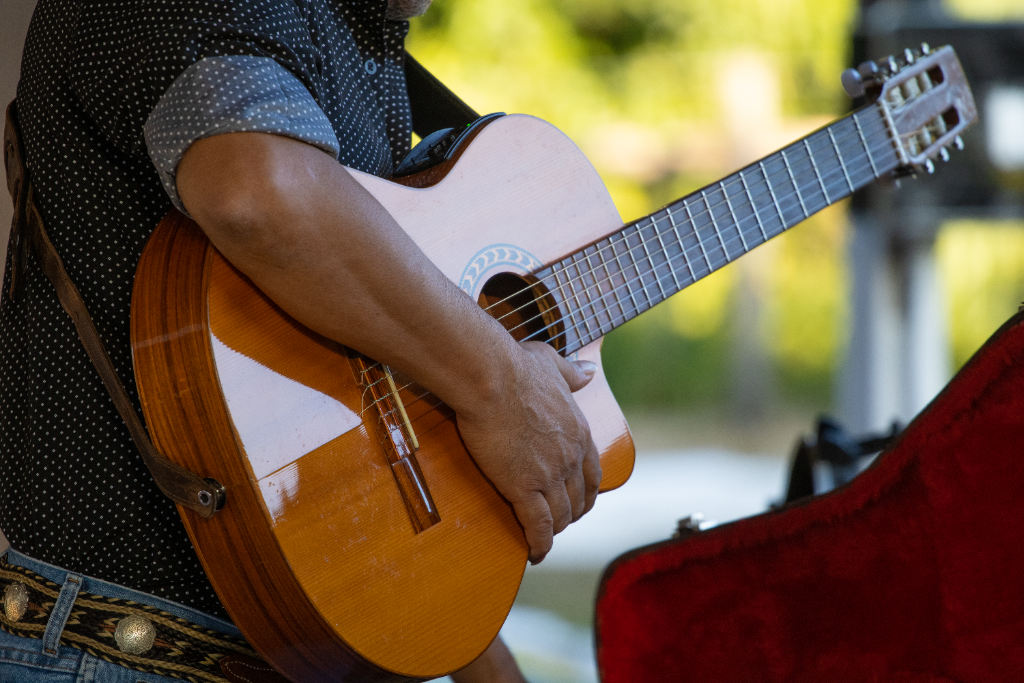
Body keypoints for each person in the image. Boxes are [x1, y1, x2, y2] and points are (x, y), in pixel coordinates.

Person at [0, 0, 601, 681]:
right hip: (117, 654)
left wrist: (476, 652)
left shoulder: (347, 31)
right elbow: (255, 188)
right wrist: (502, 384)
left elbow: (346, 390)